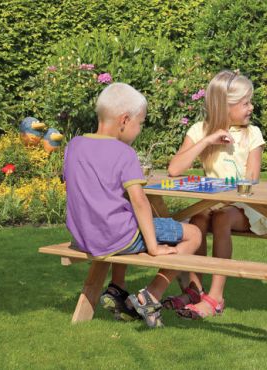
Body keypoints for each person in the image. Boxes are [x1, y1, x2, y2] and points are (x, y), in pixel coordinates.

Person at [64, 82, 202, 328]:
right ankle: (151, 294)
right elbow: (140, 201)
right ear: (124, 120)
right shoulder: (124, 153)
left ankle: (117, 289)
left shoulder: (74, 146)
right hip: (117, 237)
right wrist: (153, 247)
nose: (139, 130)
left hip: (84, 237)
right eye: (140, 123)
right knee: (193, 234)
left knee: (122, 216)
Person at [166, 70, 267, 319]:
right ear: (224, 106)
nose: (251, 107)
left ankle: (216, 297)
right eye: (245, 103)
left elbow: (251, 181)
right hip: (212, 205)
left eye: (250, 101)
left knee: (221, 217)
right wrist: (207, 141)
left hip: (246, 210)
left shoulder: (252, 135)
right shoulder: (200, 130)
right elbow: (174, 169)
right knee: (198, 219)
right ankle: (195, 290)